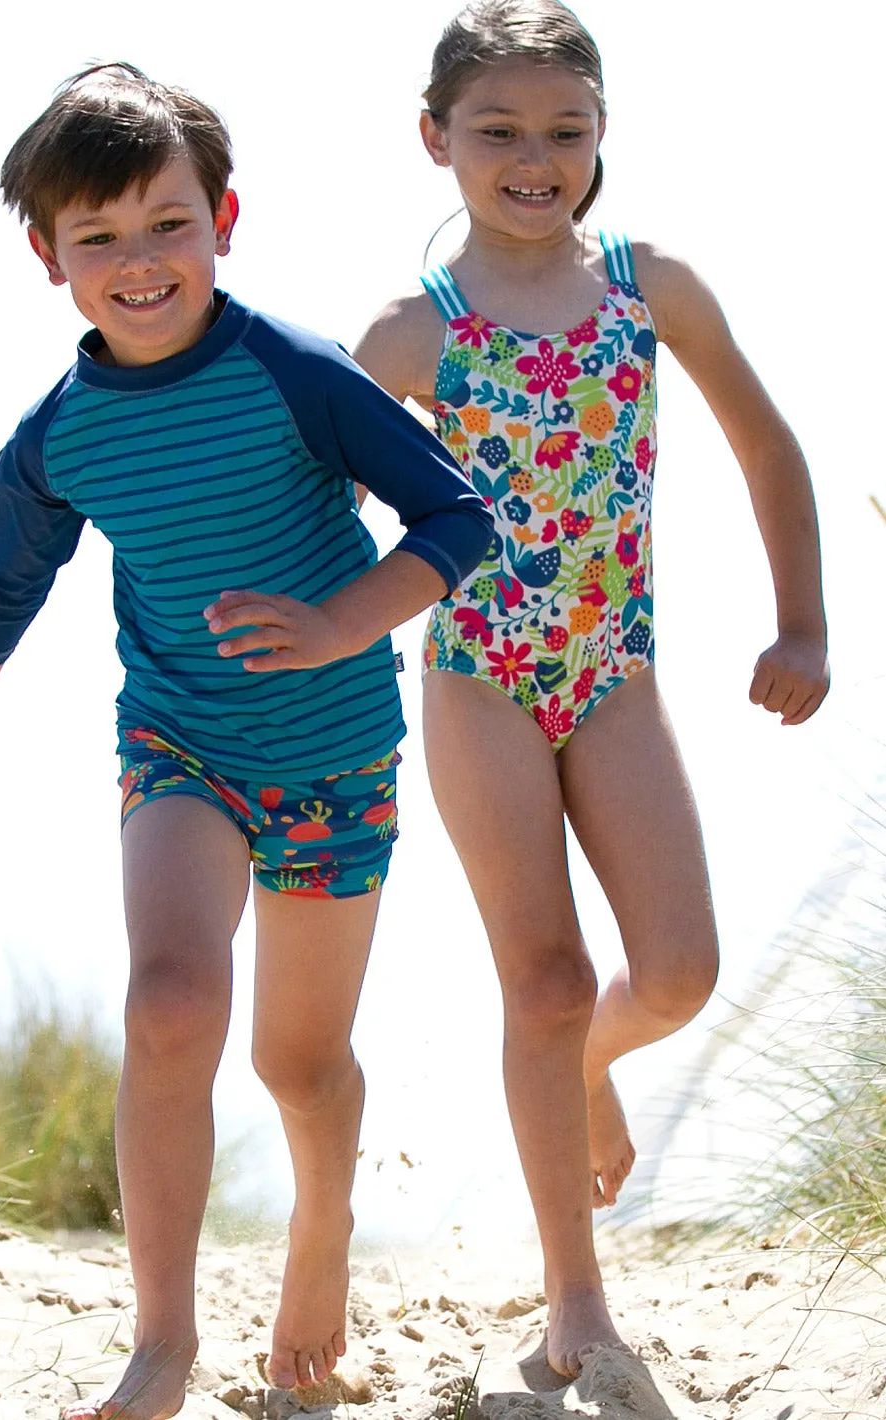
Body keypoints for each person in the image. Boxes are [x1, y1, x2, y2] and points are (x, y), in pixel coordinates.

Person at [0, 63, 492, 1420]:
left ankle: (320, 1231)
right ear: (49, 257)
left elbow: (454, 520)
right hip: (179, 745)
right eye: (100, 237)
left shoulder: (294, 374)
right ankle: (163, 1339)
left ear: (225, 219)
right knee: (172, 1003)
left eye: (167, 223)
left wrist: (336, 621)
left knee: (297, 1064)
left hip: (331, 751)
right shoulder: (61, 441)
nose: (139, 261)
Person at [354, 0, 829, 1377]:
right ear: (435, 139)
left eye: (564, 130)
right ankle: (578, 1297)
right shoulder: (408, 335)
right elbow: (297, 496)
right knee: (548, 978)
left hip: (614, 669)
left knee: (678, 973)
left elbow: (768, 443)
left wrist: (801, 623)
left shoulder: (650, 285)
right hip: (478, 680)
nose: (532, 157)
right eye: (497, 131)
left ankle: (584, 1069)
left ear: (603, 134)